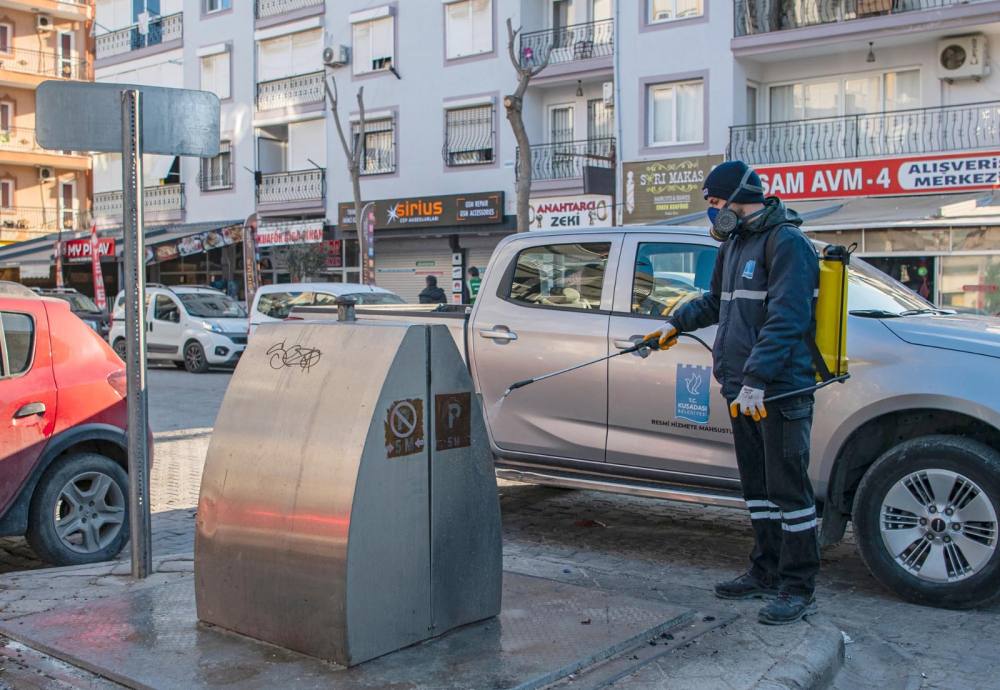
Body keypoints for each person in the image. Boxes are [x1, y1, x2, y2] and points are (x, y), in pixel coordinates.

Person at [646, 160, 821, 625]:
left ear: (740, 195)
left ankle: (798, 587)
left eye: (714, 202)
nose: (711, 211)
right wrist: (672, 324)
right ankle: (764, 571)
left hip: (777, 391)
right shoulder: (736, 243)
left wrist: (758, 381)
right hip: (740, 389)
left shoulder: (788, 243)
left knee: (789, 490)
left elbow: (788, 320)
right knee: (758, 489)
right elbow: (713, 302)